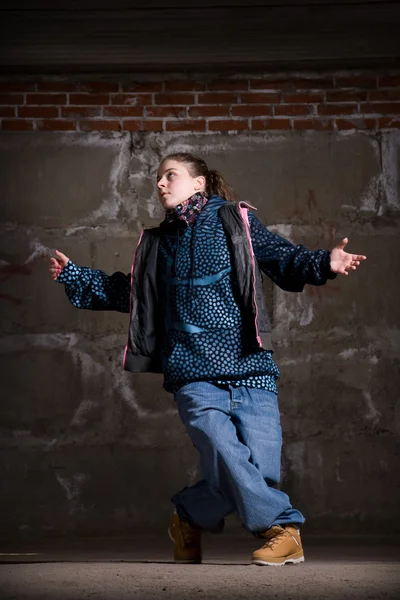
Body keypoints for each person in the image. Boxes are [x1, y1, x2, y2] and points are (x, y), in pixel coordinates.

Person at [49, 152, 366, 566]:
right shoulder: (158, 244)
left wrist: (325, 261)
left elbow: (283, 258)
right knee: (227, 454)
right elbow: (135, 295)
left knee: (256, 474)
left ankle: (187, 517)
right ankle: (283, 529)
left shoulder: (237, 221)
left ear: (199, 183)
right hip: (193, 372)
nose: (160, 184)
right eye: (157, 179)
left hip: (251, 366)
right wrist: (78, 277)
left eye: (170, 176)